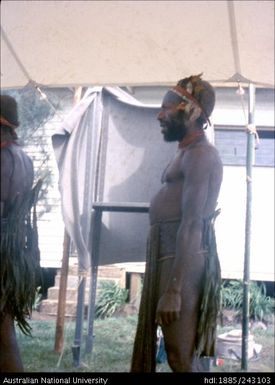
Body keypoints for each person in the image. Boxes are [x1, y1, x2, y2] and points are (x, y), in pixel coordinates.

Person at [131, 74, 223, 372]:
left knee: (179, 355)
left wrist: (175, 289)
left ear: (190, 112)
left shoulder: (201, 156)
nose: (159, 115)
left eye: (166, 108)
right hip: (169, 255)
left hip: (181, 258)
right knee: (177, 354)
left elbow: (193, 223)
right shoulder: (185, 152)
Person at [0, 94, 41, 372]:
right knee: (4, 331)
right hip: (12, 255)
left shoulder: (3, 158)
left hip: (2, 252)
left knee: (3, 334)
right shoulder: (23, 158)